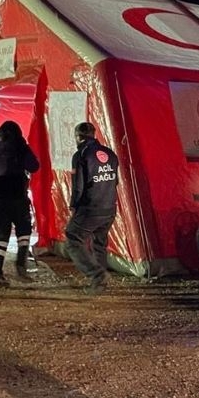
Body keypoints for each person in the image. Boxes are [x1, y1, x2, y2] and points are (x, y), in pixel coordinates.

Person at [0, 120, 40, 287]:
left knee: (1, 237)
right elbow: (34, 166)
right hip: (18, 198)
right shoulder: (20, 147)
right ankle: (21, 267)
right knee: (24, 233)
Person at [65, 122, 118, 294]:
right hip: (109, 207)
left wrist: (74, 206)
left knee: (73, 238)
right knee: (99, 242)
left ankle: (97, 275)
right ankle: (102, 283)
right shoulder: (110, 153)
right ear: (93, 134)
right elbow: (114, 181)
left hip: (90, 208)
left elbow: (78, 186)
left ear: (79, 136)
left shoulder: (81, 155)